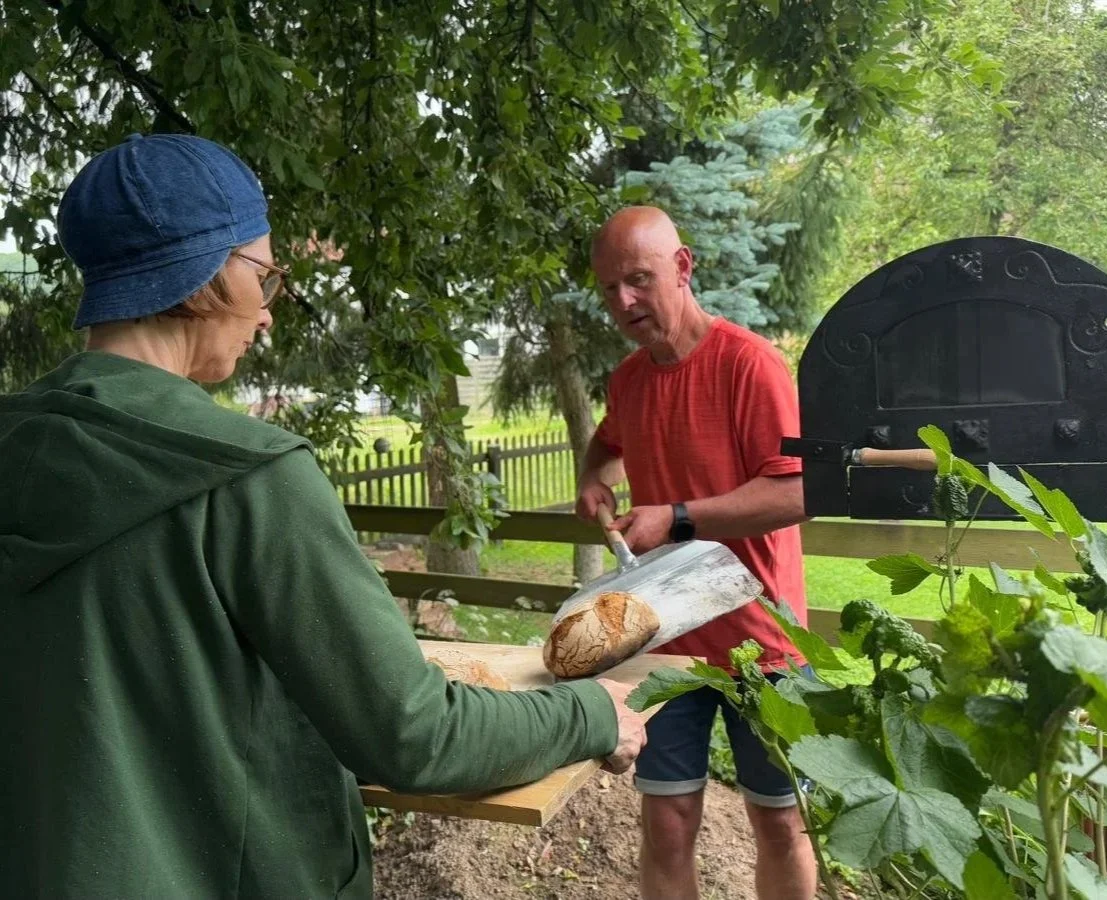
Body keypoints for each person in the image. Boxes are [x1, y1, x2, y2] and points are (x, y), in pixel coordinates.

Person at [0, 133, 646, 899]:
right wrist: (587, 714)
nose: (268, 315)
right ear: (206, 277)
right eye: (264, 277)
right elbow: (411, 734)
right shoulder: (246, 477)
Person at [575, 206, 817, 900]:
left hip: (763, 646)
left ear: (682, 269)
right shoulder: (629, 379)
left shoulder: (750, 365)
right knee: (668, 824)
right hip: (666, 644)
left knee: (780, 827)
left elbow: (796, 493)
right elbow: (607, 442)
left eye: (639, 280)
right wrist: (593, 477)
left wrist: (677, 518)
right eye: (608, 289)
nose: (623, 302)